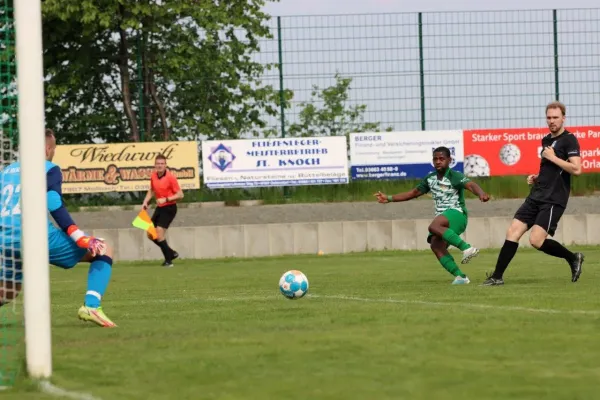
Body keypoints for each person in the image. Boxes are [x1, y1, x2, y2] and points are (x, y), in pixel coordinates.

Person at [0, 129, 117, 327]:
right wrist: (78, 236)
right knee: (103, 249)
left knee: (10, 289)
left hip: (5, 239)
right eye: (54, 149)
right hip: (35, 235)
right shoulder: (49, 168)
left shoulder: (7, 171)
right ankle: (91, 306)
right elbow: (53, 203)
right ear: (47, 149)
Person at [482, 101, 584, 286]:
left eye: (555, 117)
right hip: (536, 195)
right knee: (513, 231)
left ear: (563, 118)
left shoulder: (570, 139)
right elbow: (551, 169)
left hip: (554, 199)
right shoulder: (546, 140)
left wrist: (553, 157)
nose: (552, 121)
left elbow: (576, 169)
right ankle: (497, 276)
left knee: (536, 241)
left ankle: (573, 257)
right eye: (549, 118)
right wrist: (537, 178)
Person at [375, 146, 490, 285]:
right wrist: (388, 198)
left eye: (442, 159)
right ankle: (461, 277)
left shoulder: (455, 176)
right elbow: (413, 193)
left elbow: (471, 185)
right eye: (435, 159)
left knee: (434, 226)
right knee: (436, 245)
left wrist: (481, 194)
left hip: (457, 214)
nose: (438, 161)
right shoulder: (430, 179)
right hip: (444, 219)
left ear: (449, 160)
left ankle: (467, 248)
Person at [142, 154, 184, 267]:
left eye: (162, 164)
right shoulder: (154, 176)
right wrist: (145, 201)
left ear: (165, 165)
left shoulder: (171, 177)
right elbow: (151, 190)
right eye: (158, 163)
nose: (160, 166)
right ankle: (170, 253)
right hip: (160, 208)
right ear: (155, 165)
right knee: (150, 234)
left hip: (169, 207)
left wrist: (166, 199)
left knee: (159, 233)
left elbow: (180, 194)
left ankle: (168, 261)